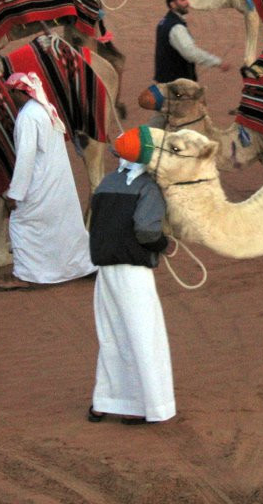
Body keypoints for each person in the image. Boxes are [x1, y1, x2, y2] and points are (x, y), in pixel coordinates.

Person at [86, 145, 175, 425]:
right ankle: (142, 406)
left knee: (113, 335)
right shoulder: (148, 187)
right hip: (133, 272)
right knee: (143, 335)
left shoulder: (106, 182)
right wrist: (164, 245)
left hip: (105, 270)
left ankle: (104, 402)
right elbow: (147, 231)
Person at [0, 72, 97, 291]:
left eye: (11, 92)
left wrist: (15, 194)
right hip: (57, 183)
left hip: (39, 184)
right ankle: (83, 266)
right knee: (65, 225)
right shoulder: (43, 109)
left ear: (20, 92)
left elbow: (26, 158)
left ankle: (25, 274)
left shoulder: (28, 117)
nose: (9, 97)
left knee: (20, 224)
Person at [153, 0, 231, 82]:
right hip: (177, 84)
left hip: (166, 82)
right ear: (173, 4)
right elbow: (191, 53)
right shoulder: (177, 27)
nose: (187, 3)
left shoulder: (164, 22)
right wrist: (217, 62)